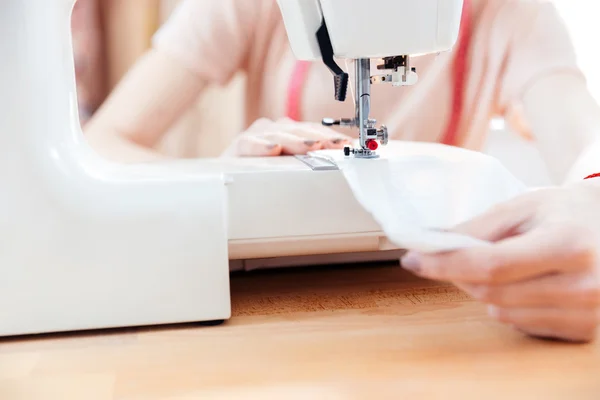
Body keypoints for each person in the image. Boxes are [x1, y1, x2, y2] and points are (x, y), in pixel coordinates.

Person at [83, 0, 600, 342]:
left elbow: (587, 152)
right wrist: (222, 177)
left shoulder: (513, 14)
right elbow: (104, 143)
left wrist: (590, 206)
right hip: (263, 310)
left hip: (431, 311)